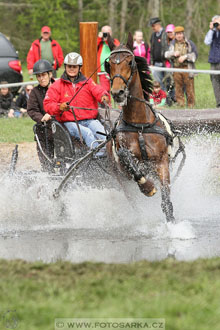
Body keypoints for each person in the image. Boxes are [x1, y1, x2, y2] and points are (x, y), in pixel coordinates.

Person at [43, 52, 110, 158]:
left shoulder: (88, 82)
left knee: (104, 134)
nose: (72, 69)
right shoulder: (57, 85)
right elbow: (48, 104)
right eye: (69, 66)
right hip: (69, 123)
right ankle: (97, 160)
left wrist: (103, 96)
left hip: (90, 120)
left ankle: (106, 157)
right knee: (88, 134)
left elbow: (98, 90)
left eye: (74, 66)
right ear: (65, 67)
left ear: (79, 67)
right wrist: (59, 107)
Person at [27, 59, 55, 171]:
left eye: (43, 75)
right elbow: (32, 110)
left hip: (60, 126)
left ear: (50, 74)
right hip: (44, 128)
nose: (41, 78)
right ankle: (47, 170)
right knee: (46, 161)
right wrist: (41, 118)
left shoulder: (59, 87)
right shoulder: (35, 92)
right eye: (38, 76)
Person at [165, 26, 198, 108]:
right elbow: (166, 54)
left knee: (189, 88)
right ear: (175, 35)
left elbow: (195, 55)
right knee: (178, 88)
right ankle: (181, 105)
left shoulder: (189, 43)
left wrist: (185, 57)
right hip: (176, 69)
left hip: (187, 68)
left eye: (180, 34)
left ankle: (191, 106)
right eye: (177, 34)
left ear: (183, 34)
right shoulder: (172, 44)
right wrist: (173, 53)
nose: (179, 36)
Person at [97, 25, 120, 95]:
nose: (106, 34)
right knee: (105, 90)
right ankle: (107, 105)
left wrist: (109, 40)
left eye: (108, 32)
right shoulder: (100, 42)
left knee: (117, 89)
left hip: (114, 70)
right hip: (102, 70)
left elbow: (118, 48)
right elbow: (92, 47)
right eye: (104, 32)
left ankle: (120, 105)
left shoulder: (115, 41)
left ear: (111, 33)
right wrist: (99, 38)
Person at [204, 15, 220, 107]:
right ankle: (219, 103)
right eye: (215, 22)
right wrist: (211, 29)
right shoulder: (212, 32)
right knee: (215, 83)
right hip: (214, 61)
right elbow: (207, 42)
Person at [149, 17, 167, 90]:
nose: (152, 28)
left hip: (165, 63)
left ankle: (170, 98)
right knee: (158, 83)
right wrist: (152, 62)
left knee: (168, 81)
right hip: (156, 63)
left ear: (157, 25)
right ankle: (162, 98)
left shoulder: (165, 34)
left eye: (153, 26)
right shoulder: (153, 36)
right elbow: (152, 49)